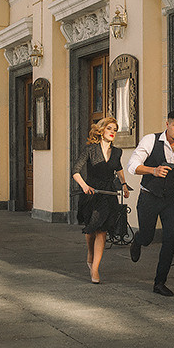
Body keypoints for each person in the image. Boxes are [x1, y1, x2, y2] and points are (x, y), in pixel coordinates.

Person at [126, 110, 174, 296]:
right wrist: (153, 170)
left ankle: (159, 282)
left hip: (170, 200)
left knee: (170, 239)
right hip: (149, 196)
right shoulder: (150, 140)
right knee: (148, 237)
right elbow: (132, 165)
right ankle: (138, 240)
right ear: (167, 124)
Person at [72, 116, 130, 284]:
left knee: (102, 230)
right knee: (91, 231)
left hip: (108, 193)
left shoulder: (117, 152)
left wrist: (124, 185)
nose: (113, 132)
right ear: (101, 130)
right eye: (109, 129)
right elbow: (76, 170)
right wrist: (84, 185)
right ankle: (90, 253)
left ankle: (95, 269)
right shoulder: (90, 149)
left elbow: (118, 168)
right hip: (91, 193)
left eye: (115, 130)